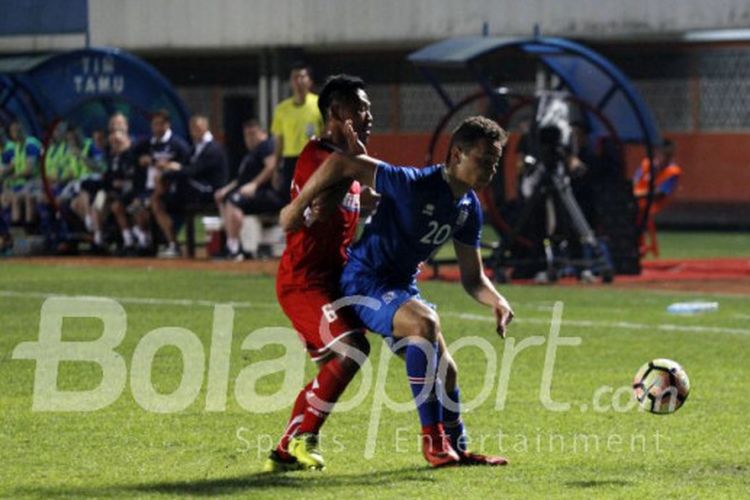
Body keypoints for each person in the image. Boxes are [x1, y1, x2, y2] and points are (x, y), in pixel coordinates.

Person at [282, 115, 514, 468]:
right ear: (456, 155)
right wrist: (297, 207)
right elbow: (344, 162)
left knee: (446, 371)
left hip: (399, 287)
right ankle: (433, 441)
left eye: (495, 163)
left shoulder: (469, 208)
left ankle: (459, 447)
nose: (490, 170)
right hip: (364, 281)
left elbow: (472, 277)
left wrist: (496, 300)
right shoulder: (414, 184)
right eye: (483, 160)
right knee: (425, 324)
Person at [263, 74, 374, 473]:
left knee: (338, 361)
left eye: (368, 107)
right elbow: (319, 205)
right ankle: (302, 438)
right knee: (352, 350)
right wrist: (356, 162)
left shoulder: (348, 164)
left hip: (334, 282)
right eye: (359, 107)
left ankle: (284, 449)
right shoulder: (318, 155)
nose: (368, 115)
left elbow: (364, 197)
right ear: (335, 114)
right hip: (303, 283)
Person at [214, 120, 275, 259]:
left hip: (267, 193)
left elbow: (271, 167)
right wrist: (225, 189)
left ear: (262, 132)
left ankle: (234, 248)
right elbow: (242, 180)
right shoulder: (252, 153)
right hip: (250, 193)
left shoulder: (266, 146)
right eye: (247, 135)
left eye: (253, 133)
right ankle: (234, 244)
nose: (249, 138)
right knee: (224, 198)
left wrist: (254, 184)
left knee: (233, 201)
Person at [270, 61, 324, 200]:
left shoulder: (320, 104)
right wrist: (276, 168)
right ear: (290, 82)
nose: (298, 81)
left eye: (302, 76)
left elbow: (327, 135)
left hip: (312, 158)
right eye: (295, 77)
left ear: (309, 81)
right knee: (293, 200)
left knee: (313, 198)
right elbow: (279, 142)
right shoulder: (281, 109)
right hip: (290, 161)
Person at [633, 139, 682, 217]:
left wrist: (635, 195)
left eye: (668, 156)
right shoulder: (646, 164)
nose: (663, 159)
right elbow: (635, 181)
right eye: (662, 155)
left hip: (653, 212)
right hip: (635, 207)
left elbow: (660, 194)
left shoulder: (672, 172)